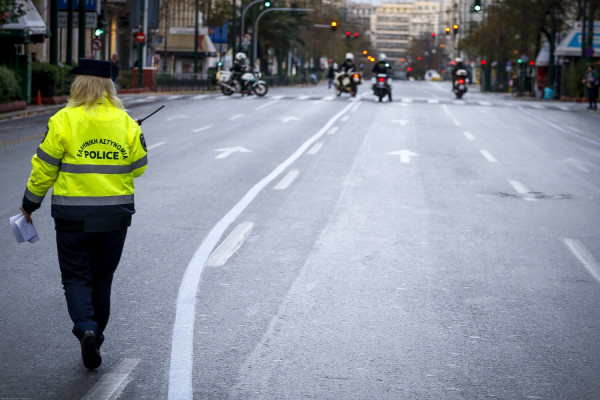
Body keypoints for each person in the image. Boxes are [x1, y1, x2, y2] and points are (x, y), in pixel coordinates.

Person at [19, 58, 148, 370]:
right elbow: (139, 167)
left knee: (76, 277)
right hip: (114, 216)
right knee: (102, 279)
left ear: (77, 85)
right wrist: (133, 139)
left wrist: (29, 204)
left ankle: (86, 328)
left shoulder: (63, 120)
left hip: (72, 216)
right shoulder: (125, 122)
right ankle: (96, 334)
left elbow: (44, 169)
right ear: (109, 87)